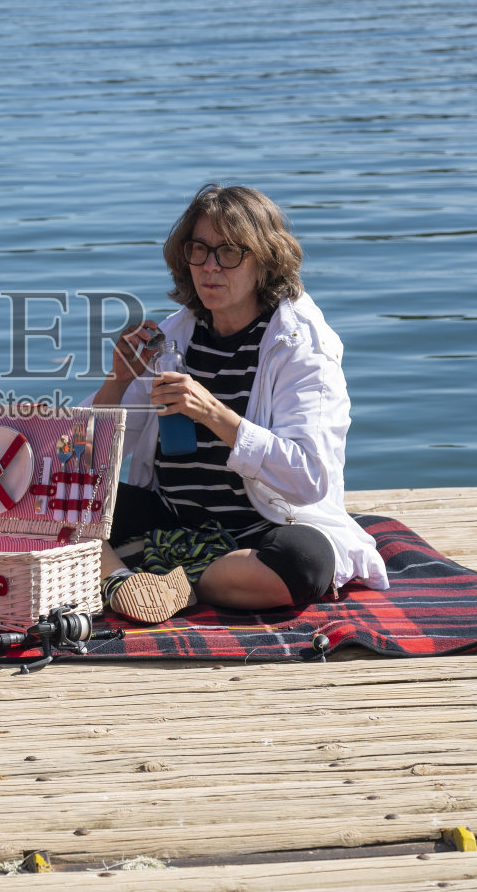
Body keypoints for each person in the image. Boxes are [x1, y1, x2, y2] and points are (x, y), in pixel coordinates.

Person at [92, 184, 388, 624]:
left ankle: (166, 581)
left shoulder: (300, 347)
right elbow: (83, 454)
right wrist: (117, 382)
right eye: (199, 250)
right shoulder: (173, 338)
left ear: (264, 261)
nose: (210, 267)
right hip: (171, 519)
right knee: (45, 500)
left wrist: (215, 415)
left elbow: (309, 478)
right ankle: (127, 583)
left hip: (261, 530)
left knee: (304, 562)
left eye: (229, 253)